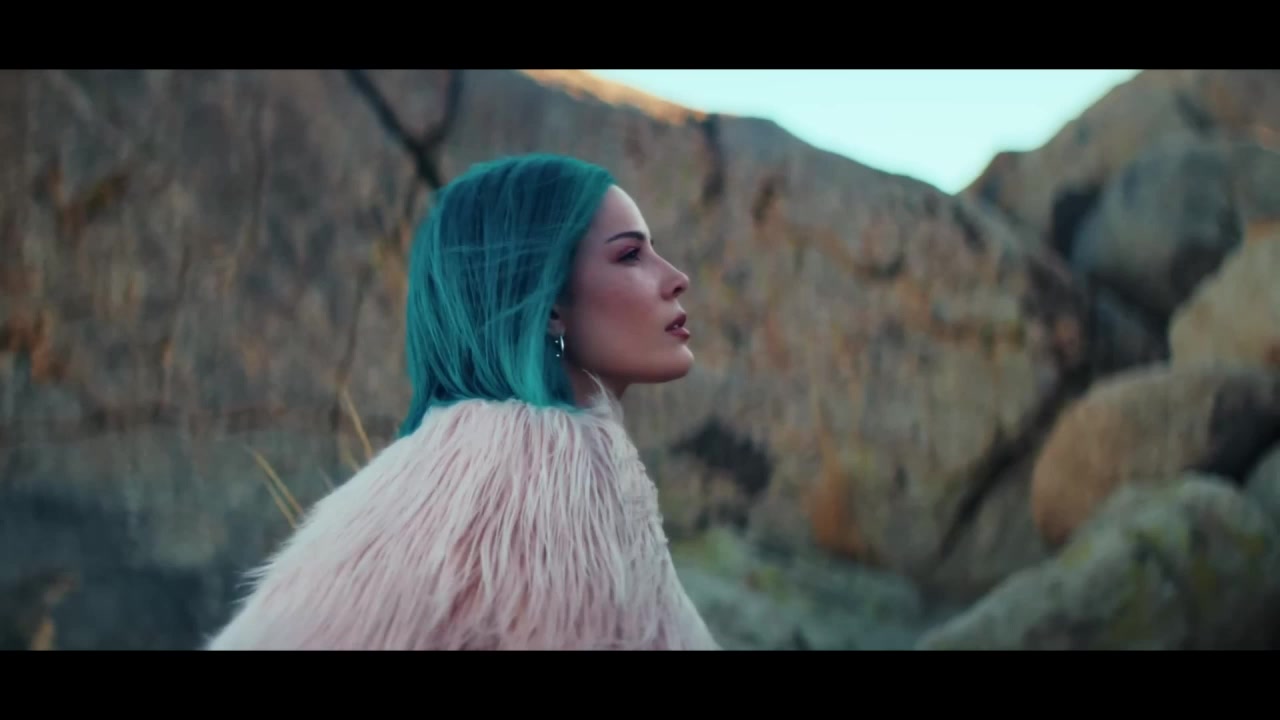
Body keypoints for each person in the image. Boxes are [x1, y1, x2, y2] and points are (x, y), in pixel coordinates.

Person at [204, 153, 720, 650]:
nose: (677, 278)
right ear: (550, 309)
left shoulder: (454, 464)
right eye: (630, 255)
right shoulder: (547, 472)